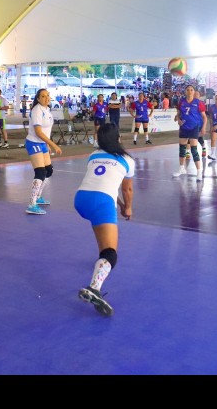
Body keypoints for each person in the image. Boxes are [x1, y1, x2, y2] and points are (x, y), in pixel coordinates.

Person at [74, 123, 134, 317]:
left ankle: (100, 262)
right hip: (101, 202)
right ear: (118, 139)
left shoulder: (94, 155)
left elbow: (104, 184)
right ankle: (94, 288)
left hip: (81, 199)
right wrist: (127, 207)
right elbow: (126, 189)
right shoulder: (127, 160)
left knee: (99, 224)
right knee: (110, 253)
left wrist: (118, 204)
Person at [24, 88, 62, 215]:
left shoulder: (47, 110)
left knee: (48, 171)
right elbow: (38, 132)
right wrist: (53, 144)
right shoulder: (37, 110)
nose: (46, 98)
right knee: (40, 172)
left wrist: (47, 144)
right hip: (34, 143)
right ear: (38, 99)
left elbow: (46, 131)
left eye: (48, 95)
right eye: (43, 96)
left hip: (42, 144)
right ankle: (31, 204)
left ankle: (38, 197)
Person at [172, 84, 207, 181]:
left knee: (194, 150)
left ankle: (199, 172)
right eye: (188, 90)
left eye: (191, 90)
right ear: (185, 91)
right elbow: (178, 114)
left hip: (194, 128)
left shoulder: (198, 103)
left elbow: (204, 117)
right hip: (183, 127)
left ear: (194, 91)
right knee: (182, 149)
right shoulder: (181, 102)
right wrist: (178, 119)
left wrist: (203, 128)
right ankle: (181, 169)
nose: (190, 91)